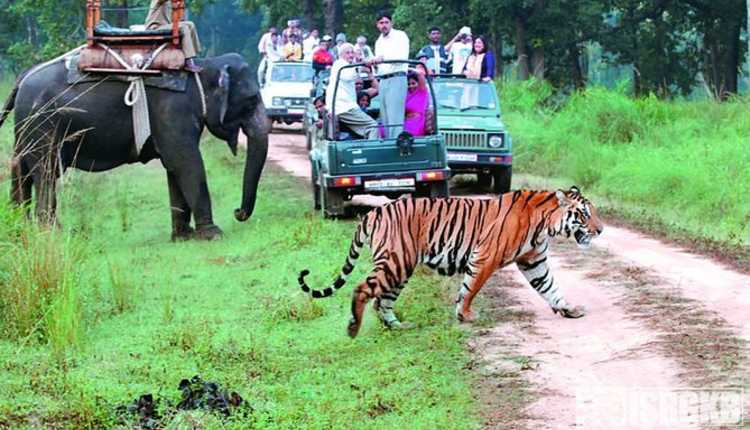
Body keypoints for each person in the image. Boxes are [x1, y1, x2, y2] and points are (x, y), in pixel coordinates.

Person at [326, 43, 379, 140]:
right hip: (344, 107)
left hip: (344, 107)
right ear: (341, 55)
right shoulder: (340, 64)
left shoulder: (347, 66)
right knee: (373, 126)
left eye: (352, 53)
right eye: (347, 53)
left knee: (366, 129)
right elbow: (349, 76)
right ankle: (372, 152)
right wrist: (361, 65)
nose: (351, 55)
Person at [370, 10, 409, 139]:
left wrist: (382, 58)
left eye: (386, 22)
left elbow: (402, 56)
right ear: (377, 25)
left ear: (391, 23)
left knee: (395, 117)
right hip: (383, 80)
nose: (384, 25)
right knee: (385, 116)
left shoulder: (400, 36)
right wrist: (374, 63)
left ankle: (396, 146)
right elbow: (379, 66)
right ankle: (388, 144)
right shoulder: (378, 41)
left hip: (397, 77)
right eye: (381, 23)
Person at [145, 0, 203, 72]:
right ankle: (188, 62)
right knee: (184, 28)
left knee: (190, 24)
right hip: (155, 27)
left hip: (165, 26)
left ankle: (195, 54)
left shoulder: (171, 3)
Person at [404, 69, 429, 136]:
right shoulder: (406, 95)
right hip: (405, 122)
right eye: (408, 84)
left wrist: (407, 68)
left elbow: (420, 73)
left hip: (416, 122)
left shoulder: (422, 92)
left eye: (413, 83)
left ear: (418, 83)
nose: (411, 86)